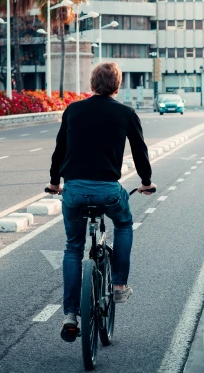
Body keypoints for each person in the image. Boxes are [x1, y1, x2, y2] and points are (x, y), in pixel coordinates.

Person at [47, 61, 157, 342]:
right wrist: (146, 181)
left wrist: (55, 183)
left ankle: (70, 315)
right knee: (123, 223)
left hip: (73, 191)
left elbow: (60, 150)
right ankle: (119, 284)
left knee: (73, 248)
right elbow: (140, 150)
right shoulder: (126, 113)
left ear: (92, 84)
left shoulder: (73, 110)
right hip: (108, 191)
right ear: (117, 86)